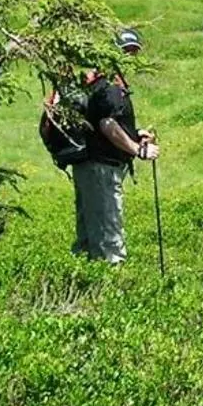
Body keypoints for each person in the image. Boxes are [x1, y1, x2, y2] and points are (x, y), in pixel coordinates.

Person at [72, 27, 156, 264]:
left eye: (133, 51)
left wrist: (134, 134)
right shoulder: (109, 85)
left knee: (89, 233)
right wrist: (138, 149)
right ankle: (110, 279)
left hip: (93, 167)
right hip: (101, 169)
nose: (129, 56)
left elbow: (105, 121)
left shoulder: (106, 81)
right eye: (125, 50)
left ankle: (82, 276)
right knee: (109, 236)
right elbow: (106, 124)